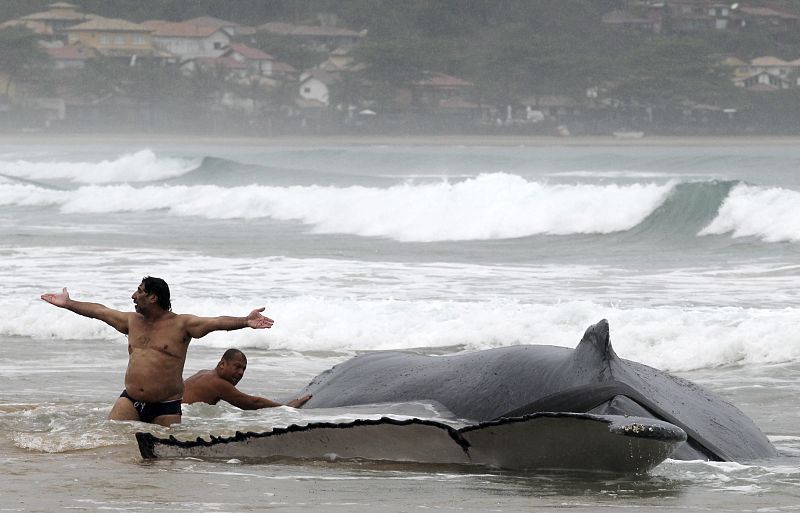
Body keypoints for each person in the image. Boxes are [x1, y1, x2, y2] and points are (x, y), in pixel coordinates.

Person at [40, 276, 274, 427]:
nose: (133, 295)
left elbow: (215, 322)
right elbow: (99, 311)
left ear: (153, 297)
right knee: (114, 448)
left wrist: (245, 320)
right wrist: (69, 304)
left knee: (163, 467)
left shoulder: (182, 325)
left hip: (166, 407)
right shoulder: (131, 321)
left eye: (139, 291)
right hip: (130, 400)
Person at [183, 348, 311, 409]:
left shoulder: (205, 374)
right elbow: (251, 403)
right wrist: (285, 407)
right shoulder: (217, 383)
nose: (240, 373)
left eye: (243, 369)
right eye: (237, 367)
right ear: (222, 364)